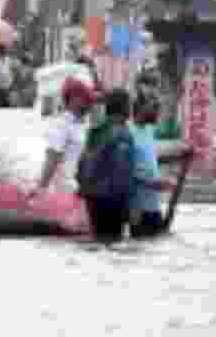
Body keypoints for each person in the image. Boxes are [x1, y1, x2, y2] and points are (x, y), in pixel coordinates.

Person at [76, 89, 140, 245]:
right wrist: (131, 205)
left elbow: (82, 163)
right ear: (125, 108)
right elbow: (122, 173)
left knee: (98, 241)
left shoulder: (95, 131)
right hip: (112, 199)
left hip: (92, 198)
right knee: (113, 243)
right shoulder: (122, 134)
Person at [27, 76, 97, 200]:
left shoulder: (79, 125)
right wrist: (40, 188)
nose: (89, 102)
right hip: (59, 192)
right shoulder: (61, 125)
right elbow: (52, 159)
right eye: (86, 98)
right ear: (74, 99)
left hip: (72, 189)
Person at [128, 95, 177, 239]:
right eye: (154, 107)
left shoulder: (149, 130)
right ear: (141, 109)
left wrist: (179, 155)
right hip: (137, 209)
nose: (158, 111)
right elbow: (125, 173)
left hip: (154, 205)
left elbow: (149, 160)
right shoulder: (128, 133)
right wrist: (153, 183)